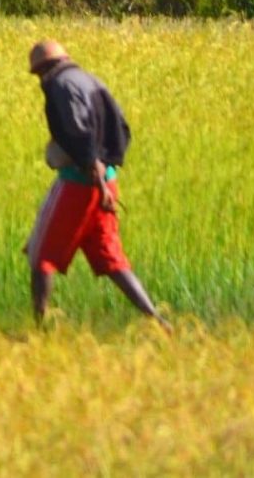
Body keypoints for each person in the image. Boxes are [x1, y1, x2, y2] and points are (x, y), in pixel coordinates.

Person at [26, 39, 166, 325]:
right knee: (112, 259)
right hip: (106, 184)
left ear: (45, 68)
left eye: (39, 73)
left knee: (40, 255)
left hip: (79, 184)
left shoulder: (60, 86)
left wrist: (94, 170)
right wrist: (107, 174)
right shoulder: (91, 81)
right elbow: (122, 129)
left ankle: (38, 330)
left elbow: (79, 133)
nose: (40, 79)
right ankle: (157, 321)